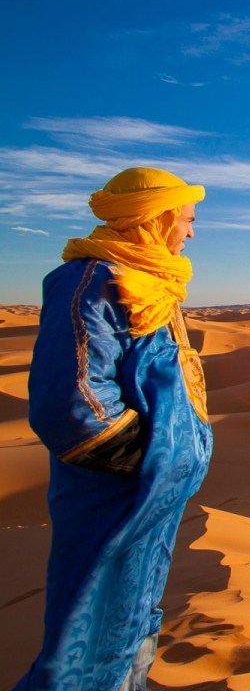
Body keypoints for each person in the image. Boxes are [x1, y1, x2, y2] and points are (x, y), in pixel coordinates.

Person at [15, 167, 212, 691]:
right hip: (110, 496)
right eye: (186, 219)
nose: (191, 232)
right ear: (154, 219)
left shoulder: (150, 281)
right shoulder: (90, 280)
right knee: (89, 635)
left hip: (148, 499)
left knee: (134, 617)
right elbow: (71, 404)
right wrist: (147, 460)